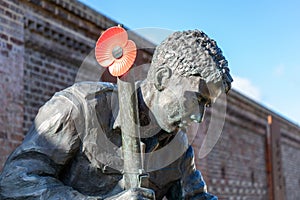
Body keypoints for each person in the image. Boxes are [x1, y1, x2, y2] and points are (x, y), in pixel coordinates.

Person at [0, 30, 232, 199]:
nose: (199, 117)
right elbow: (14, 183)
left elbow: (196, 198)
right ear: (162, 78)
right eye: (198, 99)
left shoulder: (178, 148)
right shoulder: (80, 108)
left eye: (207, 106)